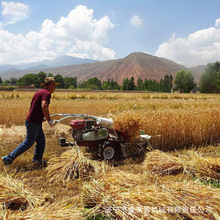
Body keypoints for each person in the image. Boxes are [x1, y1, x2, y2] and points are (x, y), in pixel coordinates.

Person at [2, 77, 59, 167]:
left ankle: (37, 161)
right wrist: (49, 120)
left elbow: (35, 107)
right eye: (55, 85)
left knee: (41, 142)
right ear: (51, 85)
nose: (55, 88)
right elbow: (44, 106)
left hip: (34, 121)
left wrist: (42, 118)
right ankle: (8, 158)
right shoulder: (47, 93)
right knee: (28, 143)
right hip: (33, 123)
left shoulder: (39, 92)